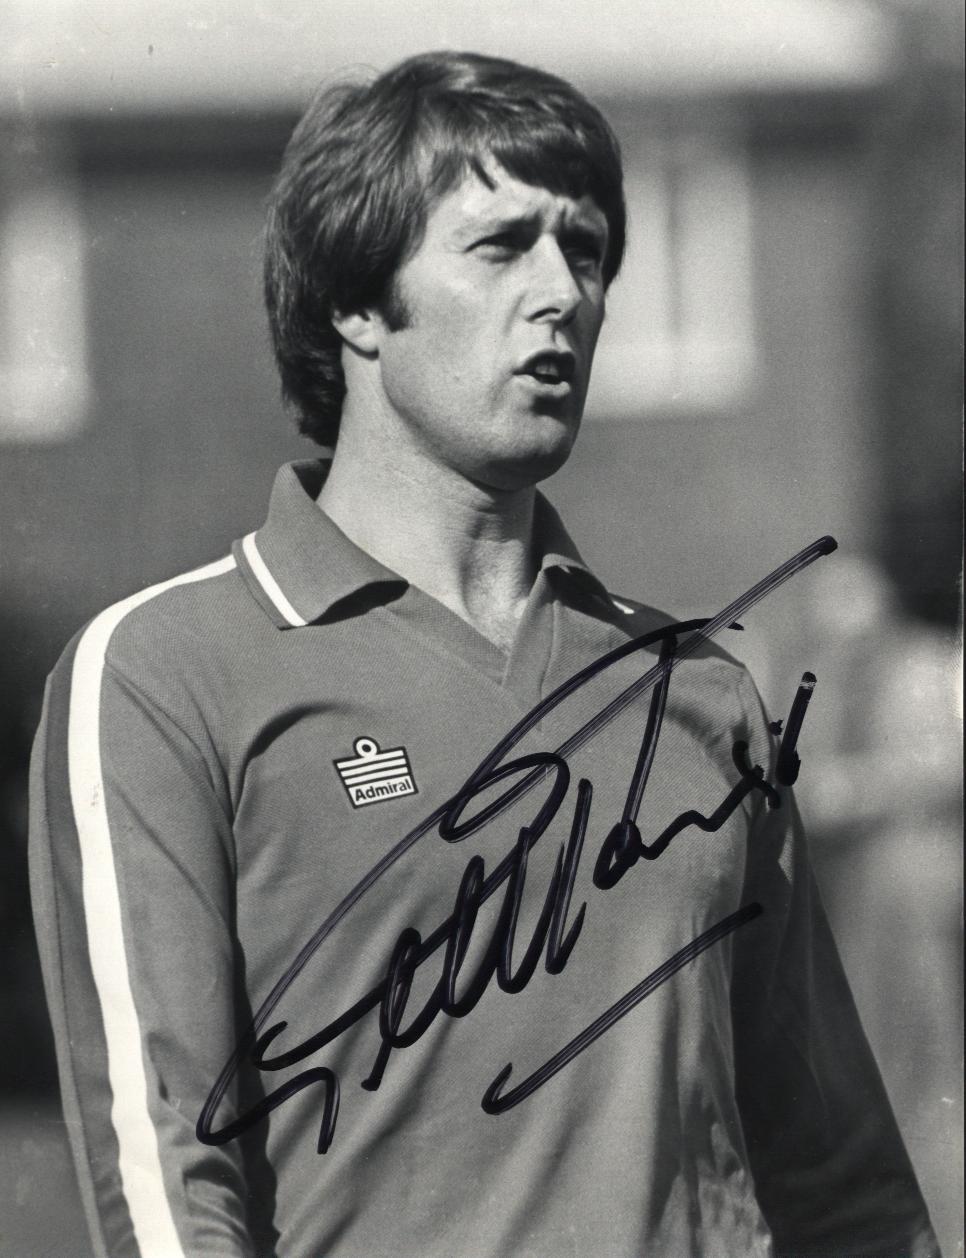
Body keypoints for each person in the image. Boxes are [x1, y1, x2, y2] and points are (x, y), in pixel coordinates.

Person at [29, 50, 938, 1258]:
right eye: (503, 246)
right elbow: (162, 1179)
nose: (565, 291)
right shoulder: (162, 675)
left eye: (590, 249)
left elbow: (844, 1185)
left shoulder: (703, 696)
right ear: (357, 302)